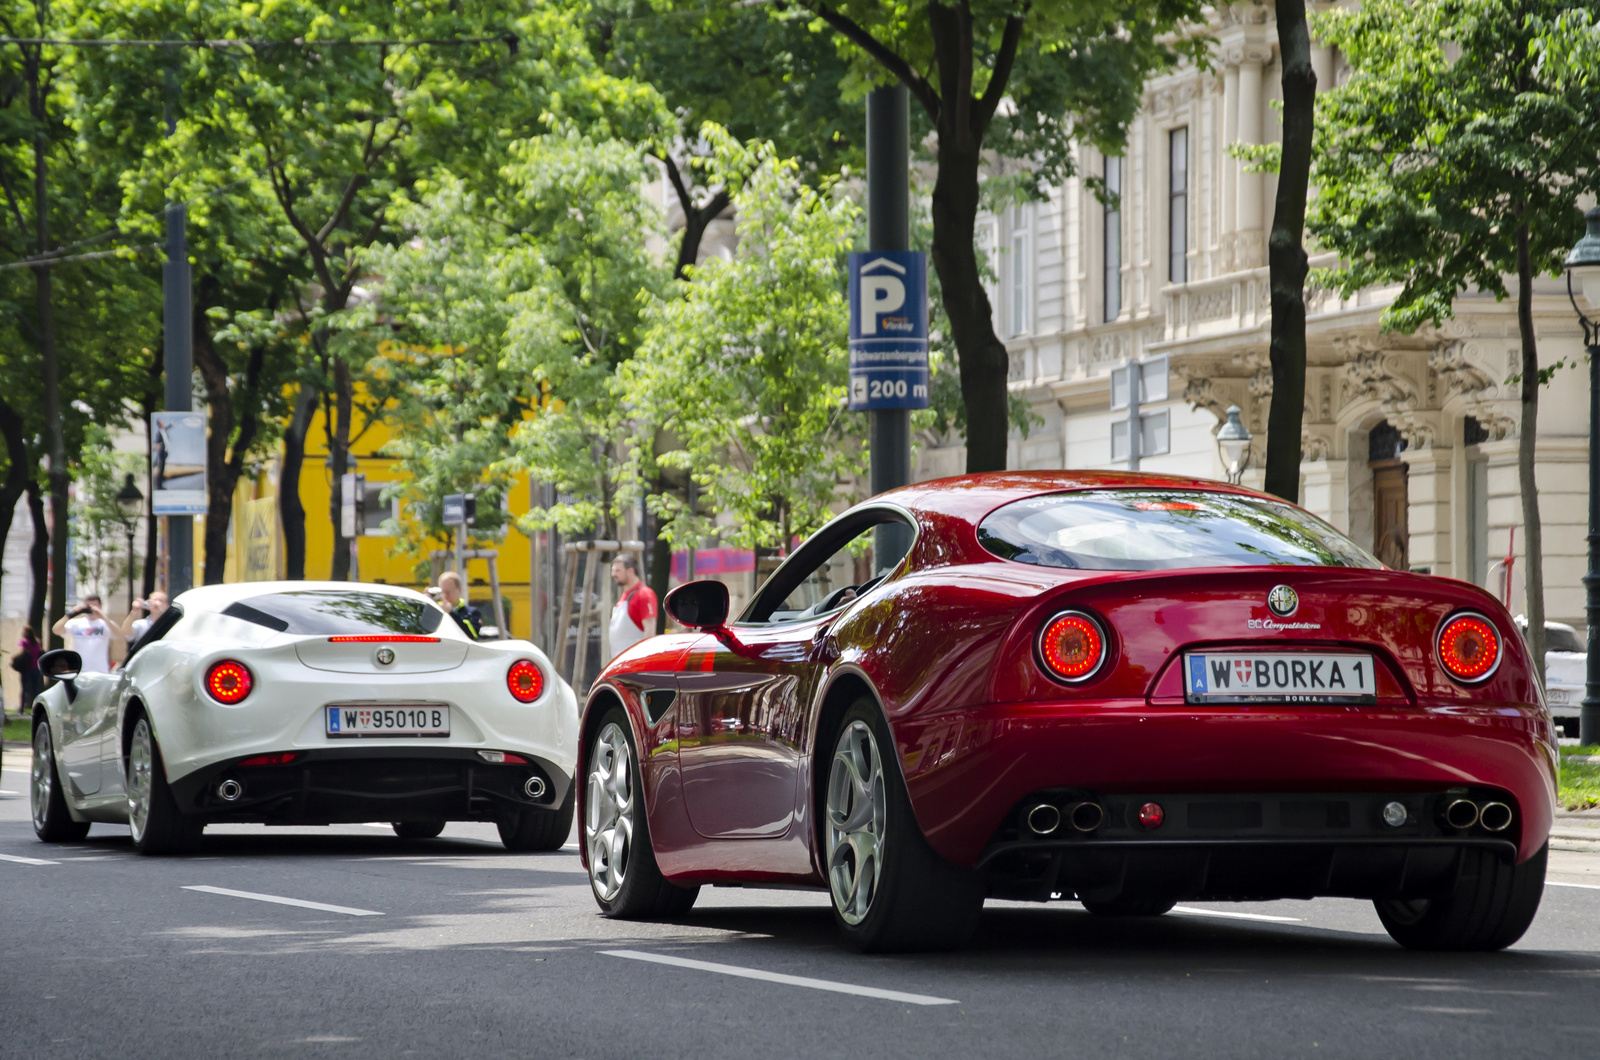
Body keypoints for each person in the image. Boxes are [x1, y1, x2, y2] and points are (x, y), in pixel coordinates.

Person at [50, 594, 119, 673]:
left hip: (100, 670)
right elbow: (56, 630)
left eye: (94, 605)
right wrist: (71, 614)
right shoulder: (76, 623)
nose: (91, 609)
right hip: (80, 670)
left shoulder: (105, 624)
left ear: (100, 606)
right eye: (88, 606)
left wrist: (102, 616)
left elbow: (118, 634)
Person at [608, 555, 658, 660]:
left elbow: (649, 630)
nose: (613, 574)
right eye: (613, 571)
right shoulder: (624, 596)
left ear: (630, 571)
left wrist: (642, 660)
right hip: (620, 662)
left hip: (634, 663)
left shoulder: (644, 594)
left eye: (618, 571)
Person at [438, 571, 482, 640]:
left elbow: (472, 635)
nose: (444, 595)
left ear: (459, 590)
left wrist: (451, 614)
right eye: (442, 591)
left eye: (448, 592)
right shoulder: (435, 609)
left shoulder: (471, 612)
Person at [14, 625, 42, 712]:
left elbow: (21, 652)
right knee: (36, 689)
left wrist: (13, 658)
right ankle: (37, 707)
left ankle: (21, 708)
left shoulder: (24, 642)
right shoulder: (37, 642)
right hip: (36, 668)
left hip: (26, 668)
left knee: (24, 689)